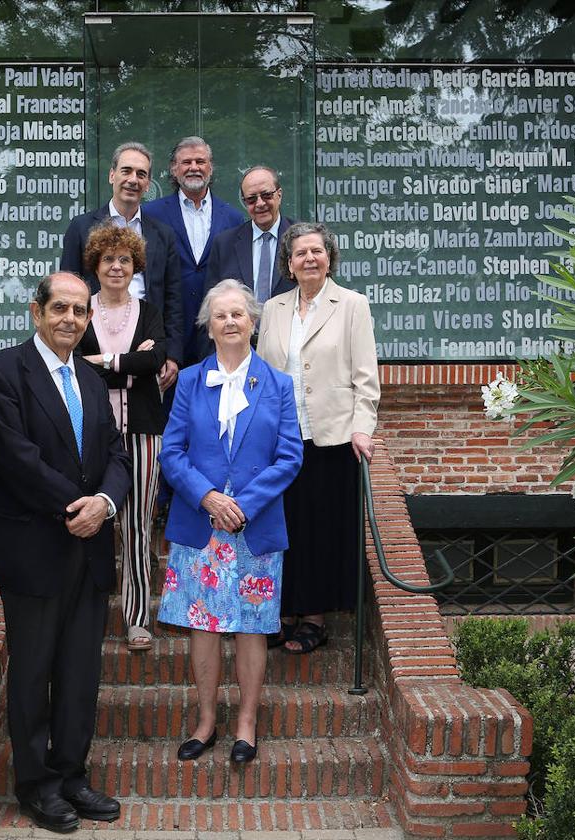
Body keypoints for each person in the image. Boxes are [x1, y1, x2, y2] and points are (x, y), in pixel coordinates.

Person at [0, 272, 132, 833]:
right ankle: (36, 786)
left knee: (79, 672)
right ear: (36, 312)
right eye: (59, 308)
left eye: (80, 311)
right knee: (34, 671)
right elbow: (16, 459)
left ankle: (70, 776)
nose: (70, 319)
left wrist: (106, 505)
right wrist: (79, 506)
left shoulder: (90, 381)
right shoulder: (3, 372)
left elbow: (117, 454)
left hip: (88, 550)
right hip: (33, 546)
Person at [157, 279, 303, 764]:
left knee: (252, 628)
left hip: (254, 528)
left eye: (238, 314)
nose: (231, 322)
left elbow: (289, 457)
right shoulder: (189, 382)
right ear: (209, 326)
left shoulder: (279, 385)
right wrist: (209, 498)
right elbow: (171, 453)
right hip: (201, 527)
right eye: (220, 316)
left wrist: (243, 504)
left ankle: (245, 723)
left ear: (253, 322)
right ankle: (205, 721)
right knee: (203, 627)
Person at [256, 222, 380, 655]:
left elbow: (366, 377)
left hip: (331, 438)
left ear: (330, 258)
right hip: (280, 440)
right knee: (282, 528)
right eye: (300, 253)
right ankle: (281, 613)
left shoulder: (351, 305)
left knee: (321, 531)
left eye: (317, 251)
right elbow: (263, 374)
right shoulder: (271, 309)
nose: (309, 258)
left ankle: (313, 618)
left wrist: (362, 427)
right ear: (288, 265)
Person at [75, 224, 167, 652]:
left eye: (125, 260)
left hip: (144, 432)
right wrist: (130, 362)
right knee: (87, 522)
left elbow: (155, 359)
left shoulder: (148, 311)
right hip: (89, 435)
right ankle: (82, 615)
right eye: (108, 259)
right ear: (95, 265)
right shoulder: (81, 310)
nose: (116, 266)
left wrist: (107, 360)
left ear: (135, 267)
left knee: (135, 524)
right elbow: (74, 364)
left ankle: (136, 618)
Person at [60, 141, 184, 392]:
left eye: (141, 174)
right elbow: (66, 289)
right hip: (93, 341)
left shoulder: (163, 234)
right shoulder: (81, 227)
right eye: (126, 171)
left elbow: (173, 300)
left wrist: (171, 354)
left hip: (146, 343)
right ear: (112, 175)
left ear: (148, 184)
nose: (133, 180)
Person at [143, 136, 245, 366]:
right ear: (173, 168)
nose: (194, 168)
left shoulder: (233, 218)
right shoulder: (151, 215)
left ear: (210, 167)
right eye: (186, 162)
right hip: (168, 330)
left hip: (218, 331)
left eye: (200, 161)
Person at [204, 165, 297, 308]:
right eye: (251, 199)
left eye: (266, 195)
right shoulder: (224, 245)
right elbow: (212, 304)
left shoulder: (301, 239)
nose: (260, 204)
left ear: (279, 194)